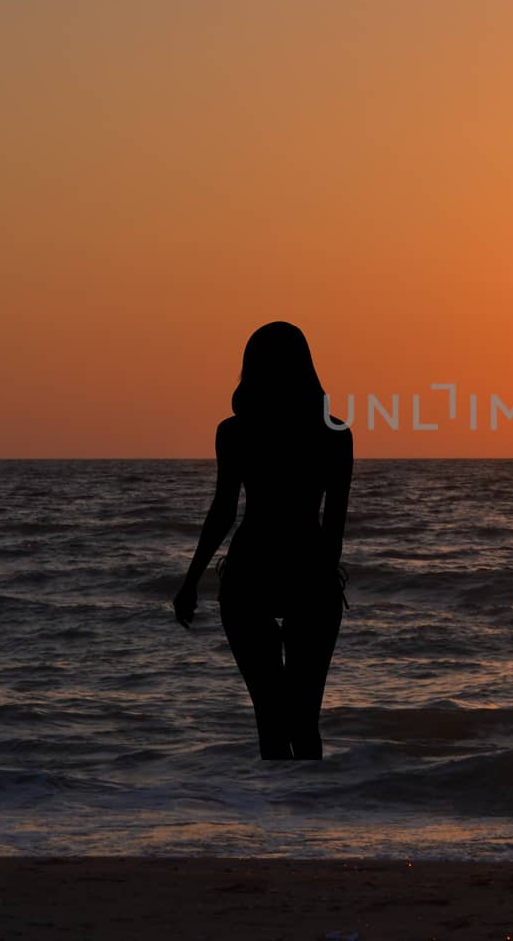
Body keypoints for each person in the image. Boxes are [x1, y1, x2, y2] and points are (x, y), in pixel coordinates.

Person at [173, 321, 353, 759]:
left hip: (250, 574)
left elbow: (223, 513)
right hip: (310, 571)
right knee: (305, 726)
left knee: (271, 726)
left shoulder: (235, 432)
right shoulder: (335, 434)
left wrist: (191, 580)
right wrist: (323, 585)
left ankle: (277, 823)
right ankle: (310, 819)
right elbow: (334, 528)